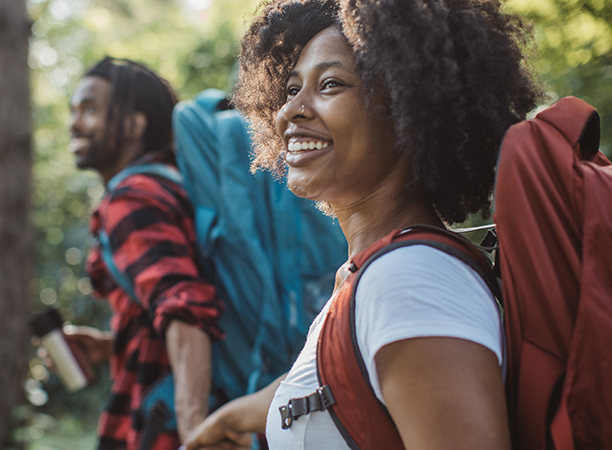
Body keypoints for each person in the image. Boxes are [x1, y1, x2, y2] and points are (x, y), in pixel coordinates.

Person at [184, 0, 541, 449]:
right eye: (291, 89)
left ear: (409, 108)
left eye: (330, 84)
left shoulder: (408, 281)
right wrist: (234, 417)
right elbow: (348, 381)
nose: (290, 111)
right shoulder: (371, 275)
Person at [63, 56, 224, 450]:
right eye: (73, 110)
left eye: (91, 109)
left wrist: (194, 432)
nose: (74, 123)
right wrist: (108, 344)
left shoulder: (131, 199)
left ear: (135, 125)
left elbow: (183, 306)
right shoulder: (172, 185)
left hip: (166, 425)